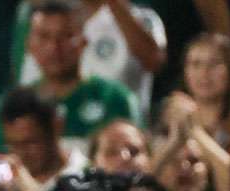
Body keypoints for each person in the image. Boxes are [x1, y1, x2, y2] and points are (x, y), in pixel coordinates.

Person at [0, 1, 141, 154]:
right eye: (44, 36)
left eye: (66, 36)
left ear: (83, 42)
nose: (54, 47)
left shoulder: (116, 100)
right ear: (29, 44)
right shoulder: (9, 106)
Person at [15, 0, 167, 115]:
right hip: (53, 135)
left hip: (116, 131)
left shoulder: (143, 18)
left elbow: (154, 61)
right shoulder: (42, 21)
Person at [0, 87, 87, 191]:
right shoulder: (1, 185)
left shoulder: (85, 181)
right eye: (12, 144)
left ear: (57, 127)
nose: (21, 154)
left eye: (30, 143)